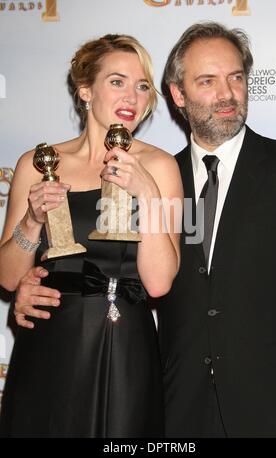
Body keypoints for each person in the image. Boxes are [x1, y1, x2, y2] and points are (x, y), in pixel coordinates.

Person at [0, 34, 183, 438]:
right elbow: (10, 277)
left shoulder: (160, 165)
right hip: (49, 341)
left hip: (125, 344)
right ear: (85, 90)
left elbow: (158, 281)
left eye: (141, 86)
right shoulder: (37, 163)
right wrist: (31, 221)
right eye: (117, 81)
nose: (132, 97)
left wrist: (148, 192)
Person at [156, 22, 276, 437]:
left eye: (236, 78)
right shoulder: (157, 180)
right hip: (180, 408)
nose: (227, 94)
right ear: (178, 95)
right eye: (208, 81)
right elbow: (128, 282)